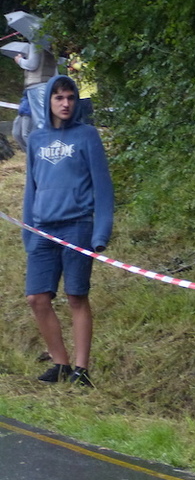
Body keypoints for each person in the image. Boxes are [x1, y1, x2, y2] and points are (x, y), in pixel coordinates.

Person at [22, 74, 114, 387]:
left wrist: (101, 233)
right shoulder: (36, 139)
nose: (65, 103)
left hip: (77, 225)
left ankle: (81, 370)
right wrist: (28, 231)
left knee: (76, 296)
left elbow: (103, 187)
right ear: (48, 100)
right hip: (43, 229)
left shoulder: (87, 135)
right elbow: (31, 189)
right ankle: (60, 363)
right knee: (37, 298)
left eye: (70, 97)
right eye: (59, 97)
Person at [12, 39, 57, 136]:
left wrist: (20, 60)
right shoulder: (50, 44)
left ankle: (46, 143)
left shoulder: (36, 42)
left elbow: (32, 65)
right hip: (49, 84)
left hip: (37, 85)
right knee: (48, 118)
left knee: (41, 121)